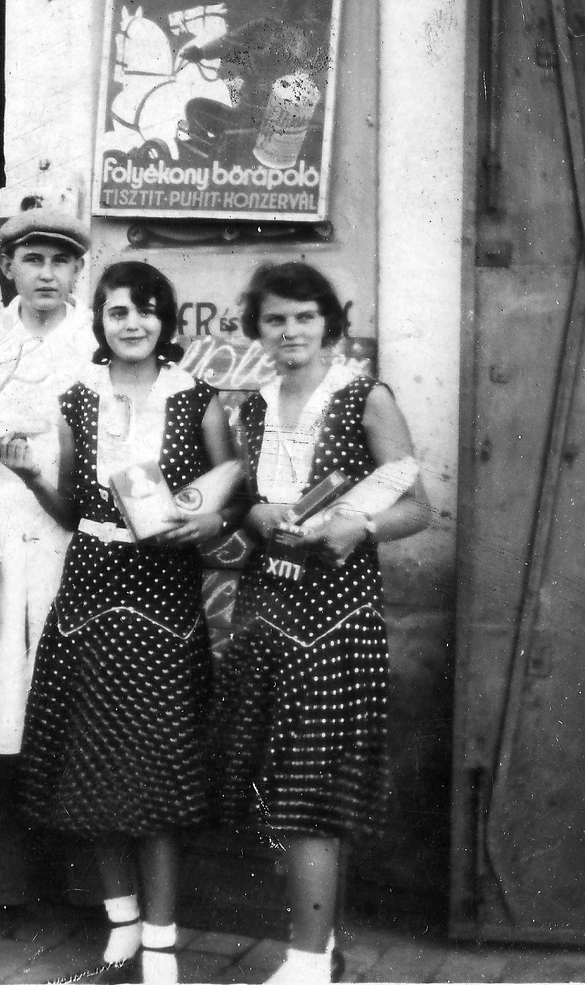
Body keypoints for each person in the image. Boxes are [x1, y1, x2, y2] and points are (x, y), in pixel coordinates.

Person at [12, 260, 235, 985]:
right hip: (90, 596)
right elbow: (71, 507)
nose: (132, 323)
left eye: (145, 310)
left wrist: (198, 528)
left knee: (157, 770)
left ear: (165, 321)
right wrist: (28, 475)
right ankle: (123, 926)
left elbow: (231, 496)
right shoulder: (78, 399)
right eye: (117, 312)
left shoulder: (197, 397)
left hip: (164, 599)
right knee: (95, 763)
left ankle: (163, 947)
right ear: (100, 322)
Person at [213, 262, 430, 985]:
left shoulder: (366, 397)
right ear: (258, 329)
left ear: (329, 324)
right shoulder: (252, 407)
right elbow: (240, 504)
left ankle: (306, 962)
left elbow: (416, 504)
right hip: (265, 612)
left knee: (311, 791)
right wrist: (256, 512)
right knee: (277, 786)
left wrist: (358, 525)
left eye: (305, 318)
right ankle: (320, 946)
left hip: (335, 619)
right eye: (275, 319)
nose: (290, 332)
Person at [0, 207, 97, 938]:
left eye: (60, 262)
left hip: (70, 538)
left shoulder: (95, 337)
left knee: (65, 707)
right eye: (32, 259)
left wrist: (50, 469)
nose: (46, 275)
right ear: (8, 267)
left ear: (76, 271)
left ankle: (81, 889)